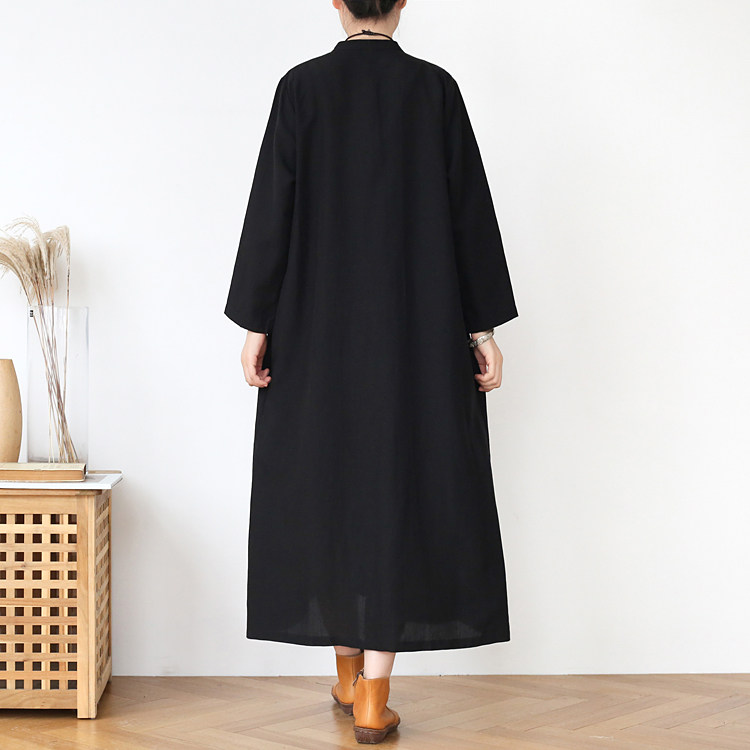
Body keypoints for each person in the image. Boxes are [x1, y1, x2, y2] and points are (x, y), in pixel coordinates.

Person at [224, 0, 518, 743]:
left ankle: (350, 671)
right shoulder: (435, 90)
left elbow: (271, 213)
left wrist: (257, 325)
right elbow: (469, 217)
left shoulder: (301, 89)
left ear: (336, 1)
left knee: (328, 484)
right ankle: (369, 693)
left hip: (316, 333)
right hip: (416, 336)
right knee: (398, 491)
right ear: (402, 3)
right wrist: (481, 330)